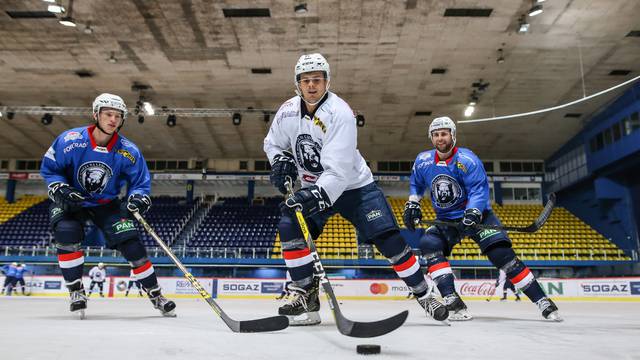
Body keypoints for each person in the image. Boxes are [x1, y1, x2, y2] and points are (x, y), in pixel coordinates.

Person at [264, 53, 448, 325]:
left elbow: (337, 172)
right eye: (305, 81)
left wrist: (310, 195)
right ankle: (306, 296)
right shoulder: (288, 110)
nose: (311, 85)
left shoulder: (340, 113)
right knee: (289, 225)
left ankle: (425, 293)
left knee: (390, 240)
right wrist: (279, 160)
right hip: (314, 186)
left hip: (354, 187)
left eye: (317, 80)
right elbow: (272, 142)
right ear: (298, 84)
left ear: (327, 82)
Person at [403, 116, 561, 321]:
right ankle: (453, 301)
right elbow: (416, 183)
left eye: (444, 133)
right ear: (431, 138)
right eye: (436, 135)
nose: (440, 138)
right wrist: (413, 202)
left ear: (452, 135)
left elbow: (478, 189)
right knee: (429, 243)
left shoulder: (467, 159)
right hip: (447, 220)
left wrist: (473, 212)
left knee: (502, 255)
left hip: (479, 217)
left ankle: (543, 301)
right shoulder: (423, 160)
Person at [40, 93, 175, 317]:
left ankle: (156, 295)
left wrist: (138, 199)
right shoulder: (70, 140)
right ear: (96, 115)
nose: (113, 120)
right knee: (66, 232)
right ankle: (76, 291)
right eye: (108, 114)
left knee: (132, 246)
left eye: (118, 116)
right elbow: (51, 168)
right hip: (72, 199)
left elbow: (140, 183)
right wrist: (58, 187)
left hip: (107, 203)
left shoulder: (128, 150)